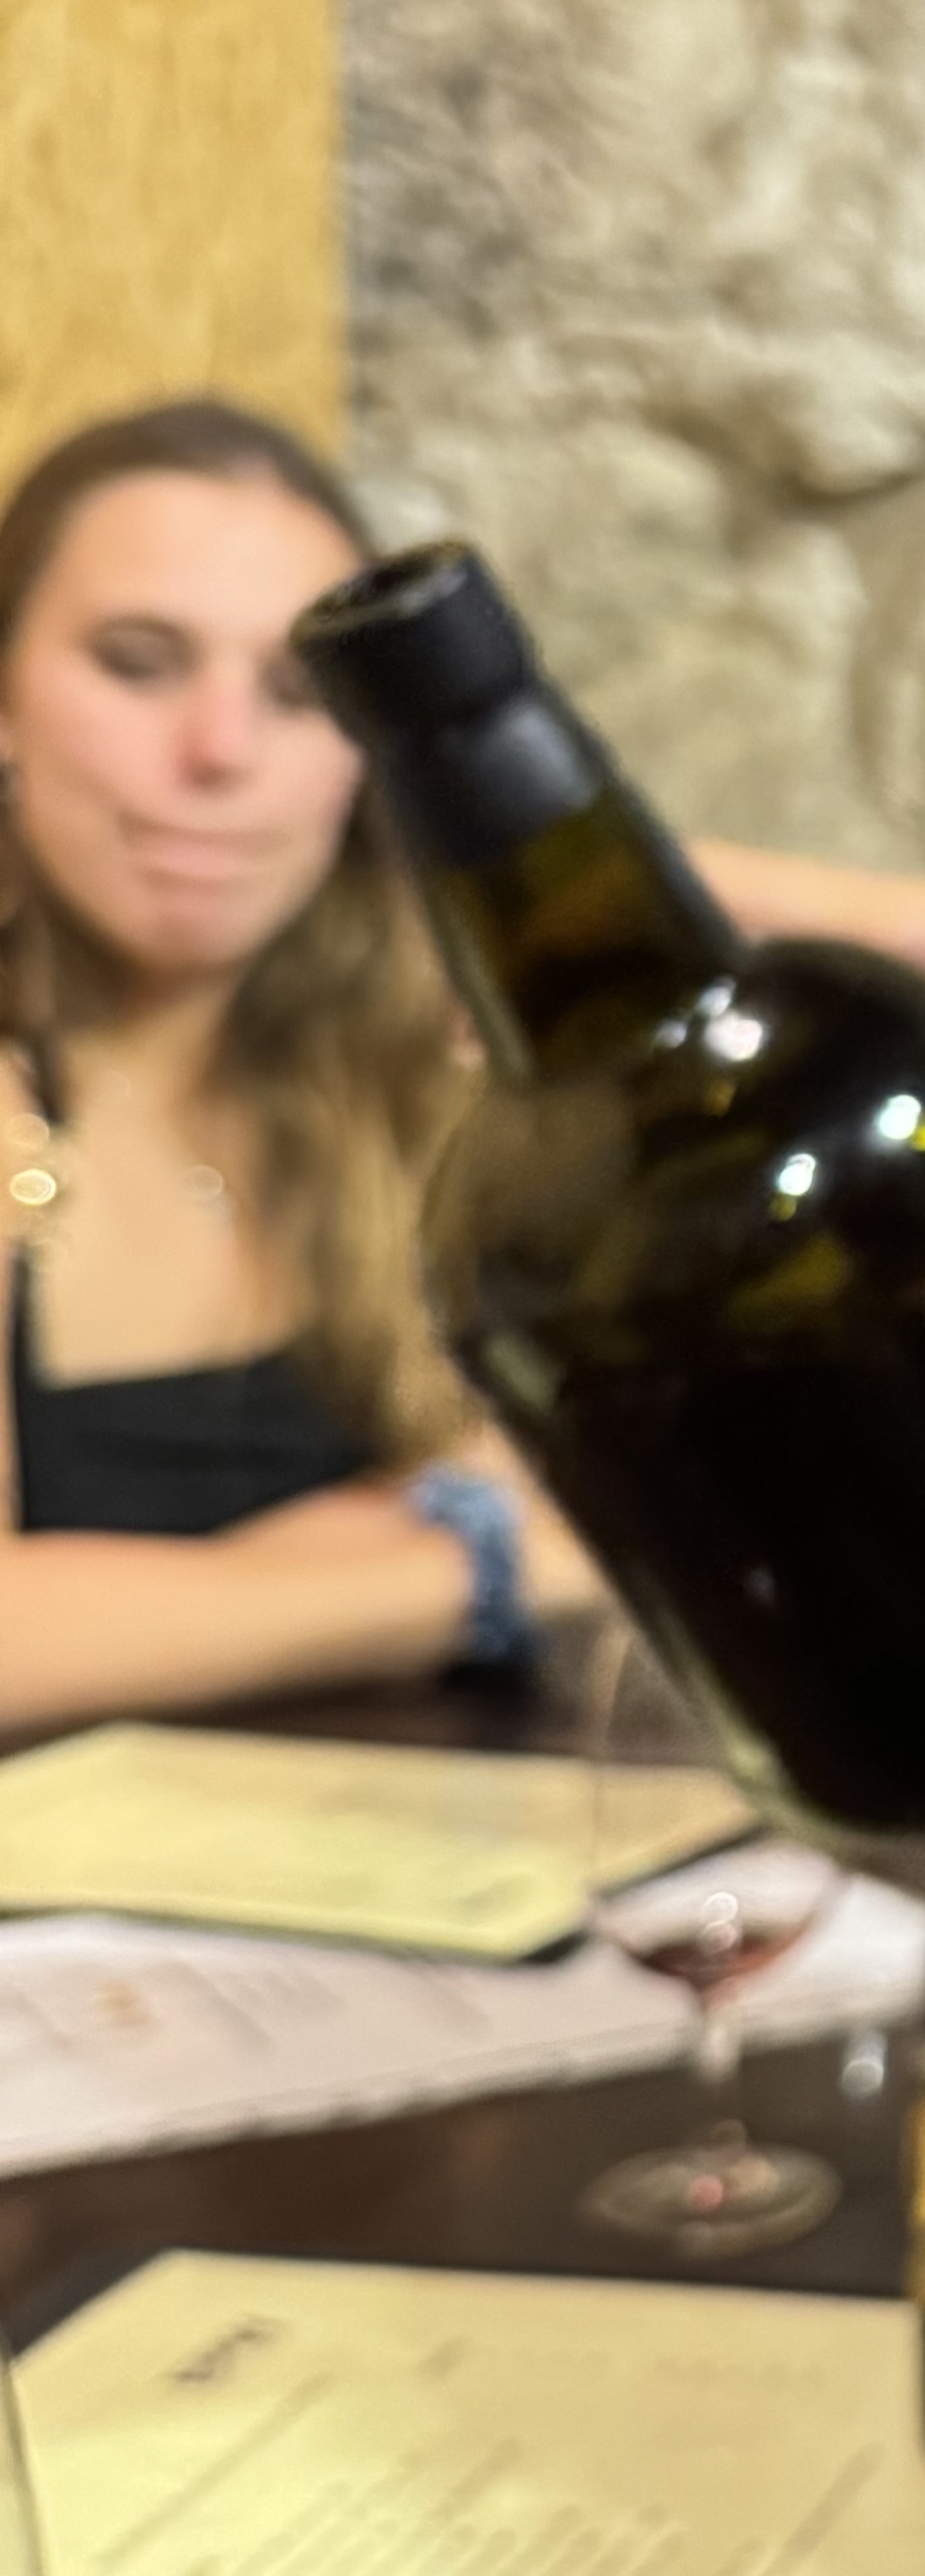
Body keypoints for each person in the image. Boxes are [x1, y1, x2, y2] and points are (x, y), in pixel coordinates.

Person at [0, 401, 588, 1735]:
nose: (221, 749)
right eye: (139, 664)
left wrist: (175, 1612)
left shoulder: (422, 1077)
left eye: (298, 692)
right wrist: (475, 1563)